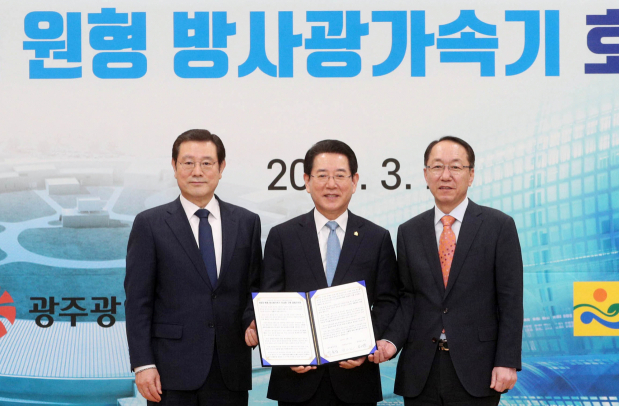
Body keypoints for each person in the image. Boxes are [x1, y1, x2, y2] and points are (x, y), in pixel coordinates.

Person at [370, 136, 523, 406]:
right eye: (437, 167)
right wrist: (391, 342)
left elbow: (510, 301)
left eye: (456, 167)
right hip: (421, 369)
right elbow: (408, 299)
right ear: (426, 174)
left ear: (471, 175)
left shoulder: (498, 226)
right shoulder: (409, 231)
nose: (446, 176)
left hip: (478, 368)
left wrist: (507, 361)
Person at [124, 129, 262, 405]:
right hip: (170, 372)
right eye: (188, 162)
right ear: (174, 167)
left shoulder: (247, 222)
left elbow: (254, 287)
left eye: (207, 163)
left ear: (221, 168)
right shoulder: (150, 224)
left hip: (230, 369)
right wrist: (143, 364)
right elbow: (138, 300)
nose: (197, 171)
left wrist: (254, 318)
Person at [261, 139, 399, 406]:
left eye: (340, 175)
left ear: (354, 181)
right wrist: (287, 353)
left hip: (356, 380)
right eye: (322, 175)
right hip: (296, 382)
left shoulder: (376, 238)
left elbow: (388, 301)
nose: (331, 184)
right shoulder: (282, 237)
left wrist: (365, 344)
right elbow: (271, 299)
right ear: (306, 180)